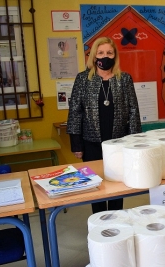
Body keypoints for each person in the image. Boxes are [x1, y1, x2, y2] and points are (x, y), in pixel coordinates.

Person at [67, 37, 142, 213]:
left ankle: (117, 219)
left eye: (109, 52)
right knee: (96, 185)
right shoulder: (83, 79)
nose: (105, 56)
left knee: (117, 185)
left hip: (119, 143)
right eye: (100, 53)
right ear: (94, 56)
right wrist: (76, 143)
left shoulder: (124, 79)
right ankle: (100, 220)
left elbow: (133, 111)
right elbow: (75, 112)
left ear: (115, 55)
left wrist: (135, 141)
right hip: (91, 143)